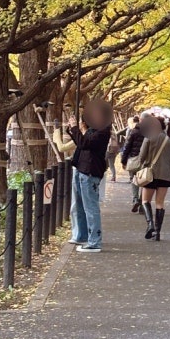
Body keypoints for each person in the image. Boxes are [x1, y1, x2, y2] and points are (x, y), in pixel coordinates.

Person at [66, 100, 112, 253]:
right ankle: (82, 235)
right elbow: (81, 143)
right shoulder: (93, 129)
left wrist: (75, 128)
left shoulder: (103, 130)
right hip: (81, 168)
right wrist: (73, 130)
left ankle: (94, 241)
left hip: (90, 171)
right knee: (79, 206)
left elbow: (85, 144)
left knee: (90, 207)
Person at [136, 116, 170, 241]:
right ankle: (157, 232)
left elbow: (141, 157)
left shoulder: (148, 138)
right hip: (165, 175)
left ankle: (150, 224)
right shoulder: (169, 141)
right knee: (160, 203)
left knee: (145, 201)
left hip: (150, 174)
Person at [121, 116, 145, 212]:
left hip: (133, 159)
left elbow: (127, 146)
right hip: (145, 160)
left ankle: (135, 199)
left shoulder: (133, 131)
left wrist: (124, 160)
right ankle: (142, 202)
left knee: (134, 179)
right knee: (145, 181)